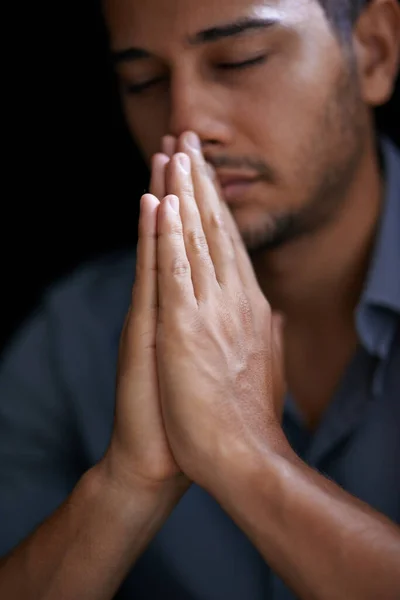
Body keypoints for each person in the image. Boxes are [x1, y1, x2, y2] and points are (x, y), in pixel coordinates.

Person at [1, 0, 400, 598]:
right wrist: (126, 484)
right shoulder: (71, 339)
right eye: (144, 81)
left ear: (374, 52)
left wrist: (241, 455)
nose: (186, 126)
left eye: (241, 61)